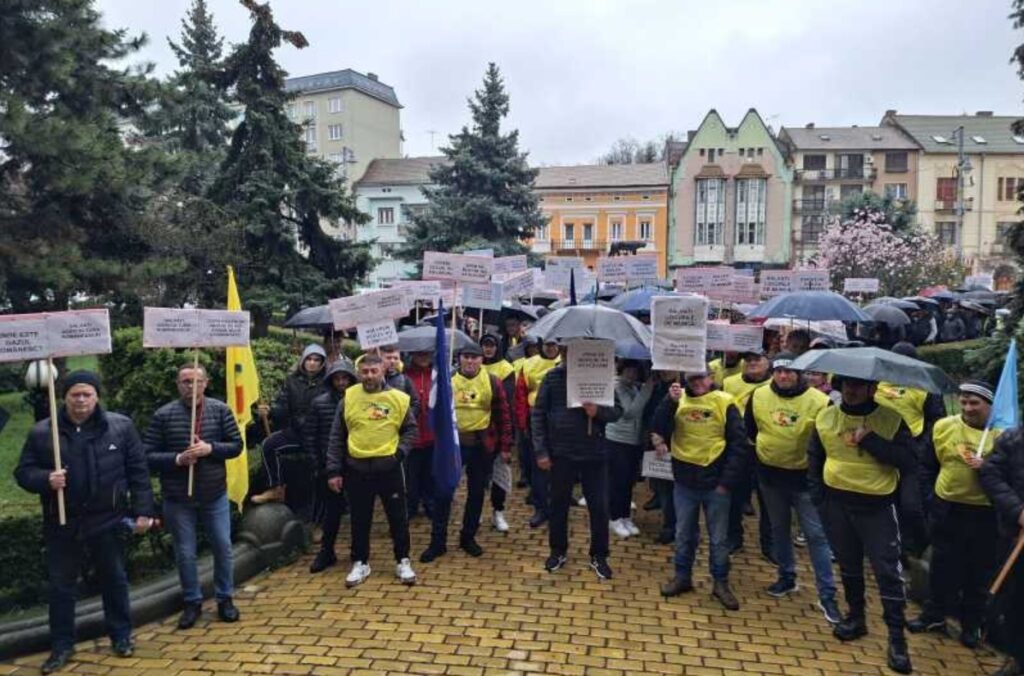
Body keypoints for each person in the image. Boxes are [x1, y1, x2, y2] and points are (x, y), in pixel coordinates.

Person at [15, 371, 156, 674]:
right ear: (64, 397)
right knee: (61, 588)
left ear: (97, 397)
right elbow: (23, 472)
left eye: (86, 394)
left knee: (114, 580)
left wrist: (143, 510)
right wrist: (45, 479)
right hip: (62, 521)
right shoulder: (43, 432)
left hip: (108, 519)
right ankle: (62, 645)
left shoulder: (121, 427)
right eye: (74, 394)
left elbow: (138, 471)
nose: (80, 400)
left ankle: (121, 636)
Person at [807, 376, 916, 674]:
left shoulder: (891, 419)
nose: (851, 390)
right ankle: (856, 617)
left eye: (858, 385)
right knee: (849, 565)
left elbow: (909, 461)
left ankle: (897, 638)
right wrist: (820, 499)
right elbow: (814, 457)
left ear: (873, 388)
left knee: (887, 572)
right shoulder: (826, 416)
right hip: (836, 503)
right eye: (846, 384)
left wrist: (871, 440)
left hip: (877, 506)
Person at [144, 363, 243, 630]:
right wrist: (177, 459)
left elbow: (236, 445)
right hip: (178, 497)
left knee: (222, 546)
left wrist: (210, 448)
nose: (192, 386)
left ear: (206, 383)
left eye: (197, 381)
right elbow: (148, 455)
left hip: (214, 494)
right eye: (186, 381)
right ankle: (192, 601)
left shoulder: (220, 410)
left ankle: (225, 598)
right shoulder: (164, 415)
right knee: (185, 552)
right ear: (178, 385)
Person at [744, 354, 840, 624]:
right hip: (770, 477)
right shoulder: (759, 395)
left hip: (804, 481)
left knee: (816, 536)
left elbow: (828, 441)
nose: (783, 376)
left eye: (789, 371)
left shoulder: (820, 401)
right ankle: (786, 577)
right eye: (778, 371)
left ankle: (827, 594)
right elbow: (750, 429)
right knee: (779, 529)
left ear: (799, 373)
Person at [909, 381, 999, 649]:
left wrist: (987, 467)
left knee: (978, 571)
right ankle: (934, 615)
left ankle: (971, 625)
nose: (968, 408)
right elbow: (927, 465)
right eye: (964, 402)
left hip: (985, 513)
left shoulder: (1003, 435)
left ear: (990, 406)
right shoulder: (944, 426)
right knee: (942, 566)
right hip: (947, 507)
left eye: (975, 403)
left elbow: (1012, 474)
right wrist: (930, 498)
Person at [653, 369, 748, 610]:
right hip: (684, 481)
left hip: (716, 483)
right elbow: (658, 427)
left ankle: (720, 583)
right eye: (692, 378)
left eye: (701, 377)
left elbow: (738, 444)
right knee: (684, 534)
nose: (696, 382)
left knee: (719, 539)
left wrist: (726, 482)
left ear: (711, 378)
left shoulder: (725, 402)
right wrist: (669, 402)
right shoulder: (677, 398)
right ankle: (682, 577)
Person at [325, 354, 418, 587]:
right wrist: (334, 470)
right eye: (364, 372)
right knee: (359, 518)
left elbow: (410, 430)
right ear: (358, 373)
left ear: (383, 370)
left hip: (389, 468)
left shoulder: (399, 398)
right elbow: (337, 436)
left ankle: (403, 560)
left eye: (373, 371)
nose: (369, 376)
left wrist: (399, 454)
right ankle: (360, 562)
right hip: (357, 468)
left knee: (398, 517)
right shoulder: (348, 398)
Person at [532, 345, 622, 579]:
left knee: (599, 507)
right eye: (565, 351)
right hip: (561, 453)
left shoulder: (600, 376)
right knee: (558, 505)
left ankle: (599, 555)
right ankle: (557, 550)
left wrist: (597, 412)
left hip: (594, 454)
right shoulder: (552, 377)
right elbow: (538, 414)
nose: (568, 355)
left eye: (573, 351)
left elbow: (617, 411)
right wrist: (541, 451)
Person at [421, 343, 512, 563]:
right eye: (466, 357)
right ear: (459, 358)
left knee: (476, 493)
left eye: (474, 357)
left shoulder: (492, 382)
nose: (470, 361)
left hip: (481, 446)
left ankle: (468, 537)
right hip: (452, 446)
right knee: (443, 493)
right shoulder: (448, 381)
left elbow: (503, 415)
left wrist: (505, 447)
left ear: (481, 360)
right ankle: (438, 542)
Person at [875, 341, 944, 555]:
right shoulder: (879, 380)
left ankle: (919, 546)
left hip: (912, 452)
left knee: (911, 506)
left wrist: (922, 447)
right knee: (887, 504)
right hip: (880, 449)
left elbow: (937, 420)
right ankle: (894, 545)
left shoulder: (926, 386)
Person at [251, 344, 327, 505]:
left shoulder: (328, 383)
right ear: (303, 360)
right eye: (309, 359)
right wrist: (270, 411)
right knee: (269, 445)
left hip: (319, 435)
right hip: (297, 432)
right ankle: (276, 488)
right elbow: (283, 406)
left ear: (322, 363)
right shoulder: (292, 381)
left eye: (317, 360)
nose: (312, 363)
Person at [303, 360, 358, 573]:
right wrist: (318, 464)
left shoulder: (359, 401)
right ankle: (327, 551)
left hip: (356, 462)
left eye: (345, 378)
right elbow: (310, 436)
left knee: (358, 510)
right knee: (332, 512)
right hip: (330, 464)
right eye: (337, 378)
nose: (341, 382)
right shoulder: (319, 403)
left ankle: (358, 550)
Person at [980, 420, 1024, 676]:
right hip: (1016, 538)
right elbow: (990, 474)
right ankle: (1017, 658)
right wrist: (1017, 511)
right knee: (1015, 603)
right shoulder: (1013, 439)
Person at [722, 350, 773, 558]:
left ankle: (769, 544)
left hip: (763, 448)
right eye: (748, 359)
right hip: (737, 447)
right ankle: (733, 538)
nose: (752, 363)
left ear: (767, 362)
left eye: (757, 359)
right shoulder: (729, 382)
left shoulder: (774, 385)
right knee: (734, 497)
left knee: (767, 500)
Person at [604, 360, 655, 539]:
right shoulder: (617, 387)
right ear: (622, 370)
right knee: (618, 482)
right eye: (629, 371)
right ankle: (614, 517)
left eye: (635, 371)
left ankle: (625, 516)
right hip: (617, 441)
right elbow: (630, 412)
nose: (632, 375)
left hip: (633, 441)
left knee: (628, 482)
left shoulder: (633, 387)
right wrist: (648, 388)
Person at [515, 338, 561, 528]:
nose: (551, 348)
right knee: (538, 466)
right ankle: (540, 506)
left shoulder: (566, 363)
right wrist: (522, 423)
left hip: (561, 421)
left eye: (554, 344)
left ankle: (559, 506)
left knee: (561, 468)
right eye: (547, 344)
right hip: (536, 419)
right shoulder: (528, 364)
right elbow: (520, 395)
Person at [481, 333, 515, 532]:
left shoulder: (505, 368)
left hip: (497, 429)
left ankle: (498, 511)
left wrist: (508, 439)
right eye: (485, 345)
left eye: (491, 345)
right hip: (478, 431)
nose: (488, 349)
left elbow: (507, 402)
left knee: (499, 475)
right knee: (478, 475)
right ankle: (476, 510)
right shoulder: (475, 366)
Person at [404, 350, 435, 521]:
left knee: (429, 474)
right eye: (419, 354)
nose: (423, 358)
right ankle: (411, 505)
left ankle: (429, 503)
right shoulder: (405, 377)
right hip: (412, 437)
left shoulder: (436, 376)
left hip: (431, 434)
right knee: (411, 476)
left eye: (426, 355)